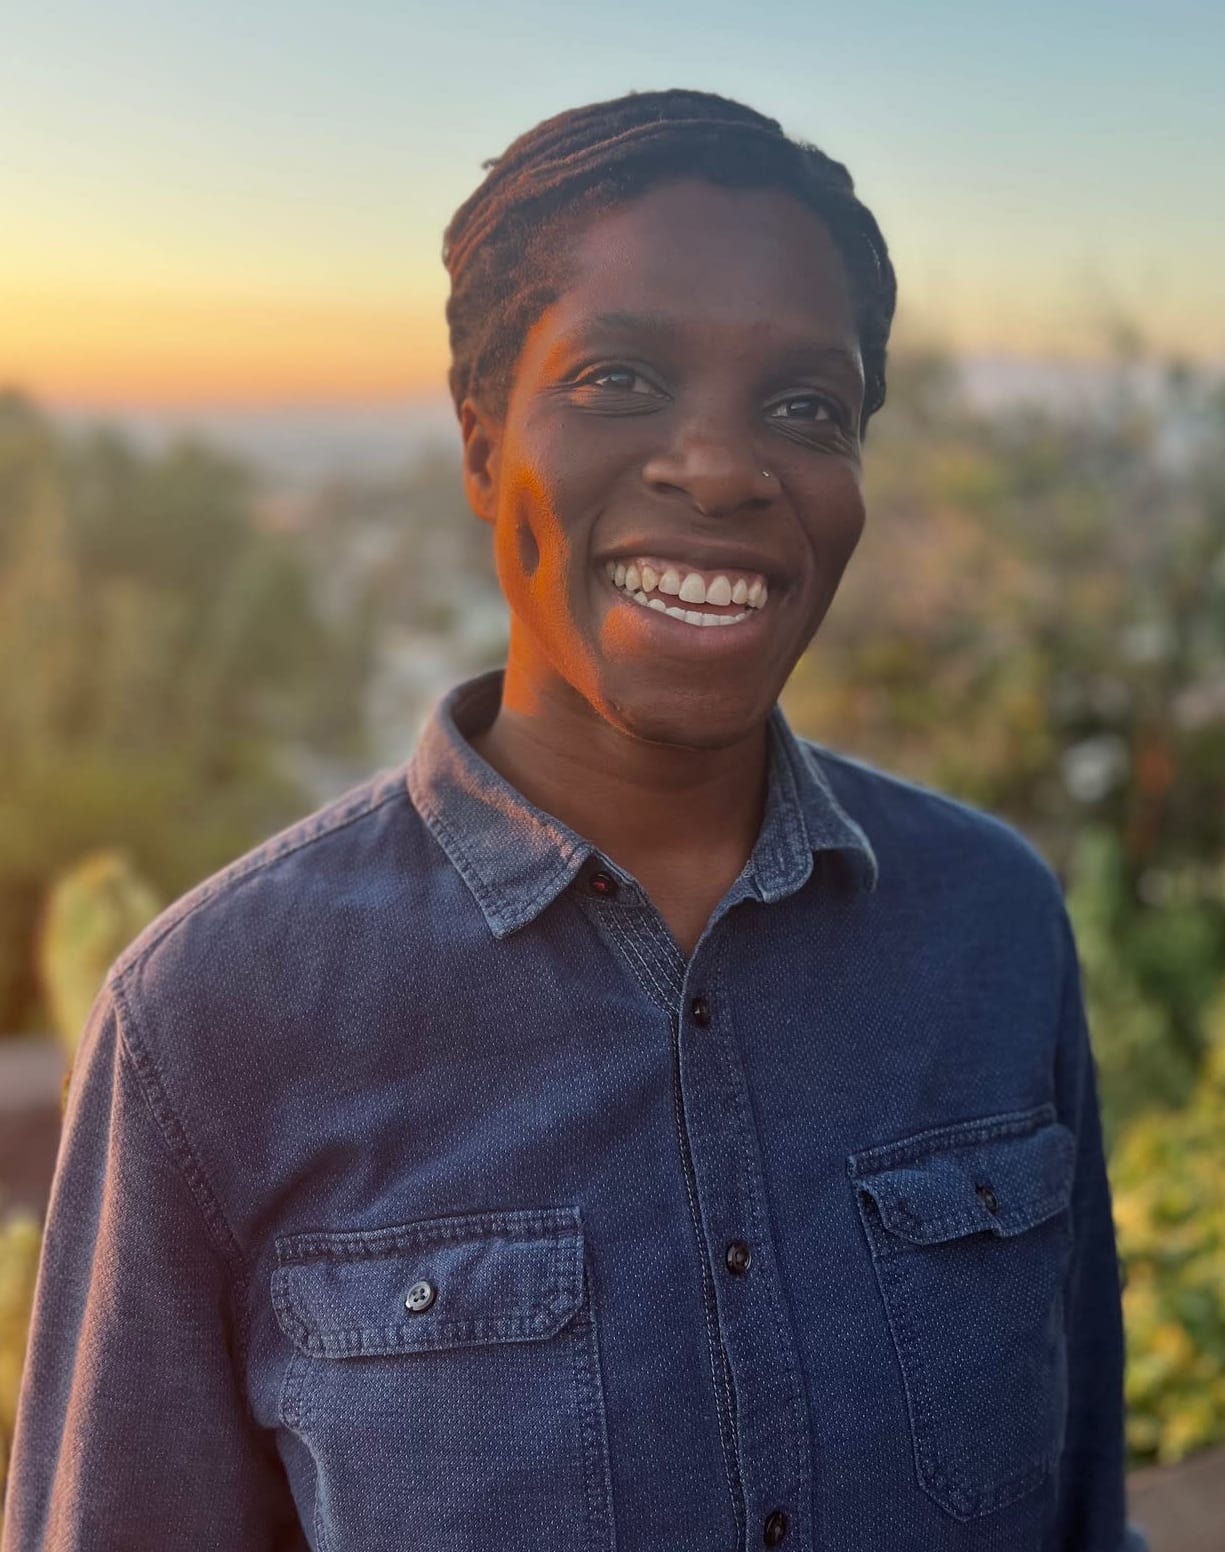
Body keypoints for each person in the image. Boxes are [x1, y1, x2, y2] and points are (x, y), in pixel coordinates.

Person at [3, 89, 1145, 1551]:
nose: (720, 468)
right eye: (618, 380)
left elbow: (1081, 1505)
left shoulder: (989, 923)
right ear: (485, 451)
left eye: (806, 407)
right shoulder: (212, 1019)